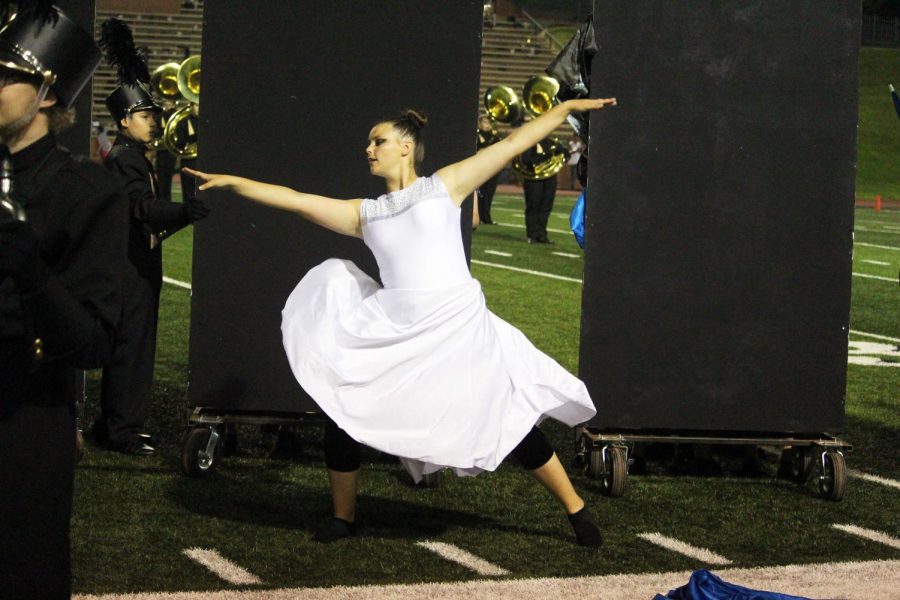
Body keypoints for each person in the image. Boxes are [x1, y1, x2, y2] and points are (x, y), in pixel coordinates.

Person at [185, 95, 617, 547]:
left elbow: (513, 144)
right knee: (343, 412)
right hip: (398, 333)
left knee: (508, 418)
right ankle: (343, 517)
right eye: (370, 143)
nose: (369, 149)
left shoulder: (445, 186)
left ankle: (577, 510)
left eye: (379, 141)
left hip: (457, 329)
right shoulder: (365, 214)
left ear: (406, 147)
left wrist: (563, 106)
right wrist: (235, 182)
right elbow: (296, 200)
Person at [0, 5, 129, 597]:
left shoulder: (87, 192)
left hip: (25, 421)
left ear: (47, 92)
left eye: (4, 76)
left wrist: (29, 268)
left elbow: (93, 344)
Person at [95, 18, 209, 455]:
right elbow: (143, 211)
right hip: (130, 270)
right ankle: (121, 430)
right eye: (146, 115)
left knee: (132, 348)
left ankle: (118, 424)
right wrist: (182, 209)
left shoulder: (135, 157)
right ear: (124, 121)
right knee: (133, 350)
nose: (154, 121)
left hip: (138, 265)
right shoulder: (127, 160)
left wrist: (184, 215)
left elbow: (151, 220)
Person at [520, 134, 568, 244]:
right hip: (534, 180)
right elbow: (527, 160)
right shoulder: (530, 142)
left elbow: (566, 155)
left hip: (550, 179)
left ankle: (542, 235)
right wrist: (547, 155)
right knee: (533, 207)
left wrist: (563, 151)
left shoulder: (552, 143)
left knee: (546, 208)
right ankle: (531, 235)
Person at [475, 115, 502, 224]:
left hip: (493, 167)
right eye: (484, 122)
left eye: (488, 122)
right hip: (480, 167)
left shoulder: (495, 136)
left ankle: (487, 217)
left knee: (489, 193)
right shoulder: (477, 135)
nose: (486, 125)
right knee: (480, 193)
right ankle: (479, 216)